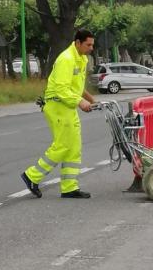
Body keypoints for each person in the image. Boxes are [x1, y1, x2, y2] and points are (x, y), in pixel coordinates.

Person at [21, 30, 96, 199]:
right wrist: (80, 102)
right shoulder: (66, 59)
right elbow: (62, 89)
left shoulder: (81, 58)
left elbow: (76, 86)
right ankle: (32, 176)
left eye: (92, 44)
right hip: (57, 105)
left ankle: (69, 187)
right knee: (63, 145)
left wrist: (91, 99)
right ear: (78, 42)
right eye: (88, 44)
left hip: (67, 107)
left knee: (74, 146)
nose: (92, 48)